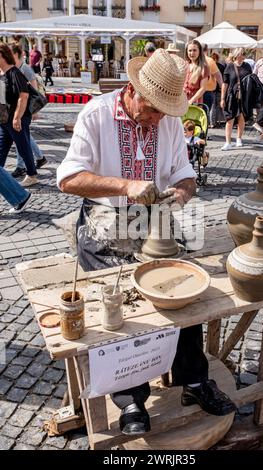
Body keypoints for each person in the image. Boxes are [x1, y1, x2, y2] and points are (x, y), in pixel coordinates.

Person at [57, 48, 236, 436]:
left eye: (163, 113)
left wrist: (183, 191)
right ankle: (131, 397)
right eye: (153, 109)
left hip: (153, 221)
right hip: (103, 219)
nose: (157, 119)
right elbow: (68, 178)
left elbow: (184, 173)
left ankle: (192, 381)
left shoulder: (167, 123)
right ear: (133, 90)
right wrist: (126, 185)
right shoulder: (96, 113)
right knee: (120, 300)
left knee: (180, 287)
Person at [0, 42, 38, 187]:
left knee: (23, 146)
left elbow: (24, 95)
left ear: (2, 56)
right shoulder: (2, 74)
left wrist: (17, 117)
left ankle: (32, 174)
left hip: (16, 119)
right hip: (4, 120)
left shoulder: (15, 73)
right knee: (2, 148)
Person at [10, 43, 47, 178]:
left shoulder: (26, 69)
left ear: (16, 54)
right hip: (15, 108)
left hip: (25, 109)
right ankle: (40, 157)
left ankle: (21, 166)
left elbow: (35, 92)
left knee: (20, 137)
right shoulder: (11, 68)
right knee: (23, 136)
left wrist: (34, 111)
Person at [220, 47, 252, 150]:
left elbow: (251, 80)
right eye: (241, 53)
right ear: (236, 55)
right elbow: (225, 83)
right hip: (231, 95)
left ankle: (239, 138)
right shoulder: (229, 66)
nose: (243, 55)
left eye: (244, 53)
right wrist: (222, 98)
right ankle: (228, 142)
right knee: (230, 118)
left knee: (242, 117)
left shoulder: (247, 66)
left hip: (244, 96)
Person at [184, 40, 209, 106]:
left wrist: (190, 101)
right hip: (182, 101)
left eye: (194, 50)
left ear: (199, 51)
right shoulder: (185, 65)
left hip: (195, 103)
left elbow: (203, 89)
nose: (192, 53)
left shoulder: (204, 67)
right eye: (190, 50)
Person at [202, 44, 223, 114]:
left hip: (195, 92)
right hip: (207, 92)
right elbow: (219, 77)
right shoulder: (210, 61)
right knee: (204, 116)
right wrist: (223, 93)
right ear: (207, 50)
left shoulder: (194, 60)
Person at [210, 52, 225, 128]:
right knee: (218, 106)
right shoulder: (221, 66)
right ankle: (218, 121)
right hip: (218, 88)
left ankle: (212, 122)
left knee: (213, 106)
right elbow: (222, 78)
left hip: (211, 87)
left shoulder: (209, 65)